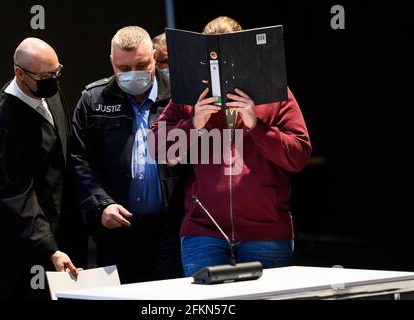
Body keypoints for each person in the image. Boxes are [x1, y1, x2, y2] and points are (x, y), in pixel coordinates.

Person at [150, 17, 312, 276]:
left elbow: (298, 156)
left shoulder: (274, 91)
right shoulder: (190, 94)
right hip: (204, 232)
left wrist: (256, 126)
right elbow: (158, 149)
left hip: (266, 231)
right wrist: (194, 123)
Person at [71, 26, 185, 284]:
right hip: (116, 230)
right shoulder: (93, 100)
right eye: (123, 68)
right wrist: (101, 204)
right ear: (112, 63)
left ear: (155, 57)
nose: (133, 73)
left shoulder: (180, 96)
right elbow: (79, 160)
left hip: (172, 227)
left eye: (141, 64)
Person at [0, 38, 85, 299]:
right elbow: (14, 196)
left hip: (62, 235)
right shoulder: (1, 124)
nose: (53, 79)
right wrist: (48, 247)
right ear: (19, 72)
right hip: (27, 246)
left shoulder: (49, 92)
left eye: (56, 71)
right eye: (45, 75)